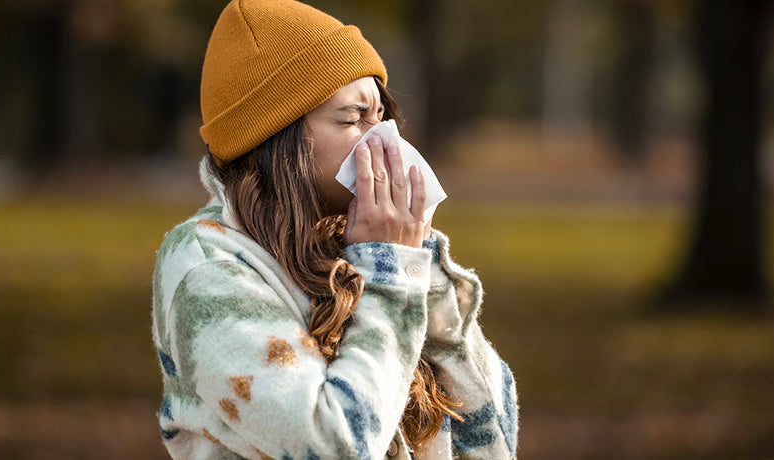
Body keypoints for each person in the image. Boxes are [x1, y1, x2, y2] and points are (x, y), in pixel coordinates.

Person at [151, 1, 518, 458]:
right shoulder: (208, 266)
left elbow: (491, 438)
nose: (383, 140)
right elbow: (336, 444)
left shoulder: (357, 243)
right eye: (351, 118)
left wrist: (421, 265)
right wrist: (390, 274)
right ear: (277, 139)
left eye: (382, 116)